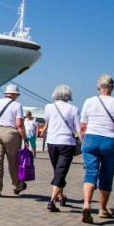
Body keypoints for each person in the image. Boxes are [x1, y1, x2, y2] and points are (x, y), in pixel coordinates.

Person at [79, 74, 114, 223]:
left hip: (91, 138)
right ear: (112, 87)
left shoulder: (89, 101)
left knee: (90, 173)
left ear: (98, 87)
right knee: (106, 175)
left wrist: (84, 141)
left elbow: (82, 126)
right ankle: (102, 209)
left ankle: (87, 204)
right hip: (110, 141)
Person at [43, 84, 81, 212]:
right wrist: (83, 142)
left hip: (52, 142)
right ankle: (52, 201)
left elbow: (47, 120)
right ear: (68, 95)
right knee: (61, 171)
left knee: (57, 170)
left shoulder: (49, 107)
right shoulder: (74, 109)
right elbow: (78, 128)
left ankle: (61, 197)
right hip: (67, 143)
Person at [0, 84, 28, 197]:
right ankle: (17, 185)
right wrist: (25, 138)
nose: (17, 97)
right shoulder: (17, 105)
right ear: (14, 94)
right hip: (11, 133)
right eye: (17, 95)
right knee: (13, 161)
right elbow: (19, 124)